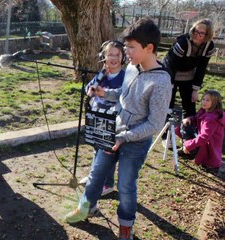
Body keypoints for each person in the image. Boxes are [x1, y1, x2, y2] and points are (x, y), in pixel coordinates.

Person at [65, 18, 172, 240]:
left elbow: (154, 123)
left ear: (149, 48)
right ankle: (86, 207)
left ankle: (125, 227)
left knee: (125, 186)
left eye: (131, 47)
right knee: (96, 175)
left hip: (135, 142)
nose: (126, 52)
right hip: (113, 132)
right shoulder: (132, 68)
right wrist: (105, 93)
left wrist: (124, 137)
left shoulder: (161, 82)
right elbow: (124, 97)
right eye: (126, 47)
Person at [80, 40, 126, 197]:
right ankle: (95, 177)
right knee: (96, 147)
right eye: (109, 54)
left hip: (113, 118)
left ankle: (108, 183)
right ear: (103, 56)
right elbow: (89, 88)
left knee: (107, 151)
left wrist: (104, 92)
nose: (113, 58)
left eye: (117, 55)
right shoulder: (102, 73)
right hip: (97, 114)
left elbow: (122, 95)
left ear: (123, 57)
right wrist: (92, 88)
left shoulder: (125, 76)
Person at [163, 19, 216, 118]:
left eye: (201, 33)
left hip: (188, 73)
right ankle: (165, 131)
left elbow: (201, 68)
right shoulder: (182, 42)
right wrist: (169, 85)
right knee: (167, 103)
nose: (197, 35)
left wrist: (195, 89)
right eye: (195, 31)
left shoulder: (209, 46)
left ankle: (189, 130)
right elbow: (172, 65)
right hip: (170, 71)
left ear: (208, 35)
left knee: (190, 106)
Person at [175, 90, 224, 170]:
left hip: (207, 145)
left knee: (185, 129)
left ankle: (189, 150)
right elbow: (197, 118)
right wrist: (189, 119)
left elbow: (204, 138)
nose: (204, 102)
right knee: (185, 123)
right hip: (201, 139)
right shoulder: (205, 111)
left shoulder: (211, 119)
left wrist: (189, 145)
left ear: (215, 102)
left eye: (208, 100)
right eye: (203, 99)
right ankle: (187, 149)